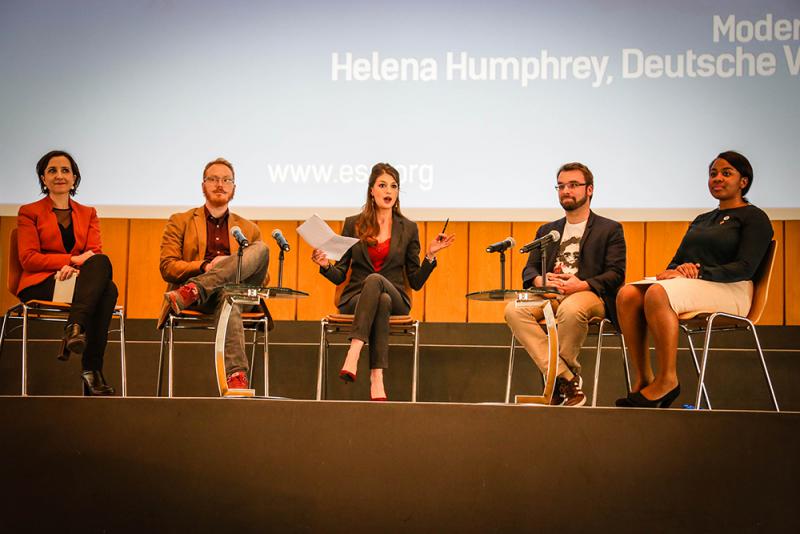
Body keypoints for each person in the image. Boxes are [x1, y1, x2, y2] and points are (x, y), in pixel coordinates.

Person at [615, 151, 773, 408]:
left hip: (733, 290)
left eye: (726, 173)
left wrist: (699, 272)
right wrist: (678, 270)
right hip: (696, 286)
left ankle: (668, 381)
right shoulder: (702, 220)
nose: (717, 178)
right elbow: (675, 263)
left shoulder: (754, 218)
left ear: (743, 182)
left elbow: (745, 268)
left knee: (657, 293)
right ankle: (645, 378)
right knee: (628, 294)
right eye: (713, 174)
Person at [311, 163, 455, 401]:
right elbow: (340, 274)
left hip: (398, 296)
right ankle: (377, 377)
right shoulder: (353, 224)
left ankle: (354, 351)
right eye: (382, 185)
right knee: (382, 300)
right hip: (356, 299)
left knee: (379, 284)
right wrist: (325, 265)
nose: (388, 191)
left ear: (397, 192)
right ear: (371, 191)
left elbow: (416, 282)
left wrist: (430, 255)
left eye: (394, 186)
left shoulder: (408, 228)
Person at [504, 162, 626, 406]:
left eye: (573, 185)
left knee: (571, 310)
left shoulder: (609, 229)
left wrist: (581, 285)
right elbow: (529, 269)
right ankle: (566, 379)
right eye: (560, 186)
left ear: (589, 189)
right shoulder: (547, 230)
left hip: (588, 294)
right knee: (513, 310)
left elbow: (616, 274)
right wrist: (541, 279)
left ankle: (560, 382)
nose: (565, 191)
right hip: (550, 293)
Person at [160, 157, 270, 391]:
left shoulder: (249, 228)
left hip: (225, 296)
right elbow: (167, 267)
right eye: (214, 179)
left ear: (234, 188)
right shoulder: (180, 221)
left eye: (226, 180)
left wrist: (232, 267)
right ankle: (236, 378)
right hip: (199, 303)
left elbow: (264, 277)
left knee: (261, 250)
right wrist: (206, 267)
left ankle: (192, 290)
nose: (220, 184)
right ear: (203, 186)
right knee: (229, 294)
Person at [16, 150, 118, 395]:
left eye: (65, 170)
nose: (59, 175)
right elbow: (28, 259)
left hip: (76, 283)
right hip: (41, 283)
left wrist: (72, 269)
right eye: (52, 170)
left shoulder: (88, 213)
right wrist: (70, 260)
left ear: (74, 178)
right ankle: (91, 369)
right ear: (43, 178)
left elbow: (93, 255)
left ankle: (74, 327)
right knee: (107, 290)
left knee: (102, 266)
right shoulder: (28, 212)